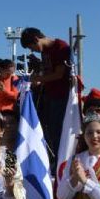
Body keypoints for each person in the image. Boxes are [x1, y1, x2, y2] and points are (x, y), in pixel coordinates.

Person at [20, 27, 71, 160]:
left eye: (32, 46)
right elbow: (48, 72)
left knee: (57, 131)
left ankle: (60, 161)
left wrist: (37, 79)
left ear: (37, 39)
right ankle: (52, 159)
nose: (33, 50)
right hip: (49, 95)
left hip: (61, 95)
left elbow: (59, 74)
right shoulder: (45, 51)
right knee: (48, 129)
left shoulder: (60, 47)